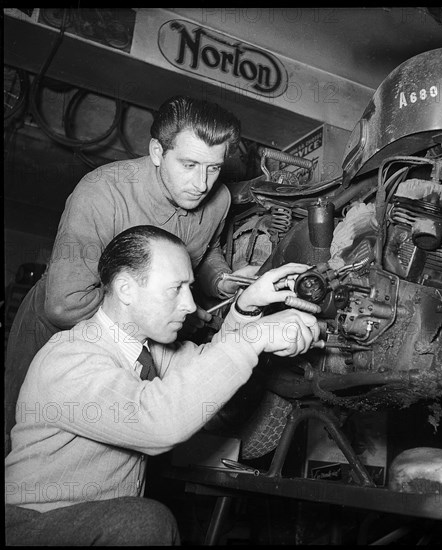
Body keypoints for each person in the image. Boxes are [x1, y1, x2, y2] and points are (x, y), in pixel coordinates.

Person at [5, 225, 319, 546]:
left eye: (190, 287)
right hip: (31, 526)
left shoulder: (147, 351)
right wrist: (257, 337)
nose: (188, 304)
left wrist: (246, 307)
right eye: (176, 288)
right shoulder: (69, 358)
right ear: (126, 289)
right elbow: (158, 421)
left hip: (94, 525)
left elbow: (204, 369)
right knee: (143, 521)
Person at [4, 95, 259, 454]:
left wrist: (220, 279)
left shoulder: (218, 201)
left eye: (213, 168)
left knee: (126, 449)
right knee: (22, 442)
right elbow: (64, 305)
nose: (201, 183)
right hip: (58, 330)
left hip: (141, 332)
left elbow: (206, 251)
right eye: (188, 164)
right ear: (157, 152)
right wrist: (170, 316)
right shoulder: (102, 193)